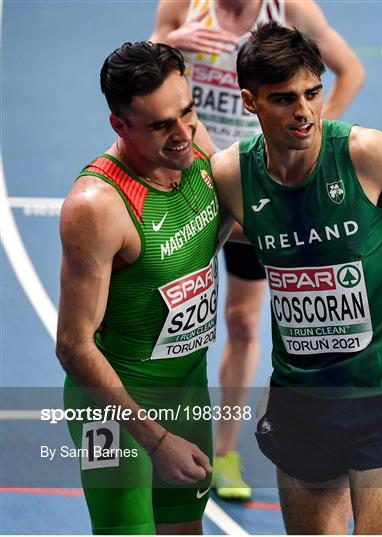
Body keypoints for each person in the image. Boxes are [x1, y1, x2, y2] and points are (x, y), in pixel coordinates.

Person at [211, 22, 382, 534]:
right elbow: (205, 239)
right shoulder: (231, 175)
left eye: (313, 93)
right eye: (284, 99)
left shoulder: (366, 153)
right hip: (300, 397)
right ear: (249, 102)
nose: (304, 112)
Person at [150, 0, 365, 500]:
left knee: (244, 323)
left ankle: (224, 451)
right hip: (192, 178)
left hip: (256, 185)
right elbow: (150, 73)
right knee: (175, 312)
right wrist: (175, 43)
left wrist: (304, 137)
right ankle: (160, 431)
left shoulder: (290, 9)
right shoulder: (183, 5)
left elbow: (350, 71)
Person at [56, 41, 226, 534]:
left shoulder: (190, 143)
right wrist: (154, 441)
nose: (182, 135)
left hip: (187, 388)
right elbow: (72, 346)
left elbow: (237, 224)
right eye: (159, 125)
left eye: (187, 112)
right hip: (110, 411)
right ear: (119, 125)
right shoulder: (96, 206)